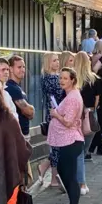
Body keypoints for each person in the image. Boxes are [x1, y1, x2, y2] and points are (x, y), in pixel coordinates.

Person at [5, 54, 38, 204]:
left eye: (24, 67)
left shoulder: (17, 87)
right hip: (19, 137)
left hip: (22, 135)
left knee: (24, 175)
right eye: (19, 67)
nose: (22, 70)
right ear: (10, 68)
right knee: (22, 176)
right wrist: (29, 107)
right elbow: (29, 111)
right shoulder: (12, 89)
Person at [48, 67, 85, 204]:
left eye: (65, 78)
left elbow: (68, 122)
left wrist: (56, 114)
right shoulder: (71, 95)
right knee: (64, 172)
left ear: (72, 80)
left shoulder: (72, 98)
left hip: (71, 140)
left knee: (69, 175)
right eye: (61, 78)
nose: (62, 81)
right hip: (67, 141)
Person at [35, 53, 65, 191]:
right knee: (57, 147)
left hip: (54, 114)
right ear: (48, 63)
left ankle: (49, 172)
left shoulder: (50, 77)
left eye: (58, 60)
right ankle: (50, 173)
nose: (57, 62)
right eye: (54, 60)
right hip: (55, 115)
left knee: (56, 147)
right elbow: (61, 94)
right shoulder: (51, 78)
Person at [74, 51, 100, 195]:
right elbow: (97, 100)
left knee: (77, 151)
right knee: (83, 151)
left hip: (76, 116)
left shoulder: (73, 80)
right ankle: (81, 182)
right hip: (90, 115)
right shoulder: (94, 79)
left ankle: (80, 182)